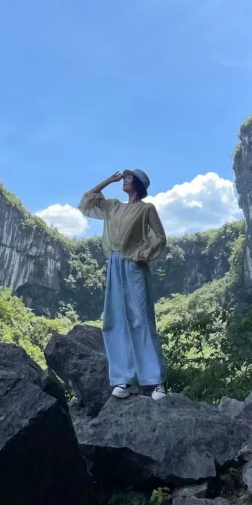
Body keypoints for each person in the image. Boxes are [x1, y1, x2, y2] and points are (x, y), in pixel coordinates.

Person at [78, 169, 168, 400]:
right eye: (125, 177)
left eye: (128, 177)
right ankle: (125, 380)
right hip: (114, 264)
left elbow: (160, 237)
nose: (125, 180)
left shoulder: (146, 208)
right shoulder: (114, 206)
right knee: (115, 321)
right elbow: (88, 200)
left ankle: (157, 382)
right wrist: (109, 180)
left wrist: (143, 255)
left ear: (137, 183)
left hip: (134, 264)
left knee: (141, 319)